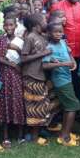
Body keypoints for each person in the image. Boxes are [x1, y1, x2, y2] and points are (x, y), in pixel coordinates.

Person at [22, 14, 58, 145]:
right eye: (43, 20)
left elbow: (45, 56)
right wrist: (43, 53)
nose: (46, 22)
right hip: (31, 76)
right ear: (36, 25)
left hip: (41, 75)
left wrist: (52, 59)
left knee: (43, 106)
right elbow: (24, 58)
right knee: (34, 108)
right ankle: (34, 136)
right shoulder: (30, 38)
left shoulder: (42, 37)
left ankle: (39, 131)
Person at [42, 22, 80, 147]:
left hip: (67, 78)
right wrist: (62, 64)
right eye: (55, 32)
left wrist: (72, 62)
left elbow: (69, 55)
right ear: (49, 33)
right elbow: (45, 65)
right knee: (73, 106)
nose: (58, 34)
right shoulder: (49, 47)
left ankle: (64, 132)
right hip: (60, 80)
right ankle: (65, 137)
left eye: (60, 31)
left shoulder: (63, 43)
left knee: (67, 106)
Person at [51, 0, 80, 99]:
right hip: (64, 51)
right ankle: (64, 110)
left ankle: (76, 110)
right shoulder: (57, 7)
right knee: (64, 81)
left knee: (77, 80)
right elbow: (50, 26)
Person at [0, 16, 25, 148]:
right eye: (6, 25)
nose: (8, 28)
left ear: (15, 26)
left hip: (17, 76)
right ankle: (6, 136)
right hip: (4, 74)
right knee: (5, 102)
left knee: (17, 101)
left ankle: (20, 135)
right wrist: (10, 64)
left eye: (11, 25)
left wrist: (16, 48)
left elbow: (25, 56)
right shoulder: (0, 40)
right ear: (3, 26)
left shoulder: (20, 41)